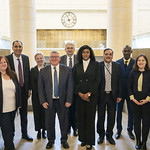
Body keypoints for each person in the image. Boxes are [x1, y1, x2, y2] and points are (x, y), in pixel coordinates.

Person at [38, 51, 73, 149]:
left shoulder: (67, 70)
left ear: (59, 58)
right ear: (49, 58)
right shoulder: (43, 71)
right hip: (49, 102)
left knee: (64, 122)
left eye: (56, 57)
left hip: (63, 101)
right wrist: (43, 101)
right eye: (52, 57)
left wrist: (69, 100)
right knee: (49, 122)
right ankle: (50, 140)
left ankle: (64, 139)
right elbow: (40, 88)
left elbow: (70, 86)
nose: (54, 58)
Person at [73, 45, 100, 150]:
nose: (85, 54)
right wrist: (80, 94)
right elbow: (74, 82)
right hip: (79, 97)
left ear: (90, 53)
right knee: (81, 119)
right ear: (80, 53)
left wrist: (88, 93)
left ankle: (90, 141)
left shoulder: (96, 65)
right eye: (83, 52)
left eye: (87, 52)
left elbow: (98, 80)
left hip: (91, 97)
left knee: (90, 119)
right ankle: (83, 139)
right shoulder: (76, 66)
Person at [6, 40, 33, 141]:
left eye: (20, 47)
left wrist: (29, 89)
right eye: (16, 46)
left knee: (24, 115)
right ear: (12, 48)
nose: (18, 49)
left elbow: (28, 74)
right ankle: (10, 136)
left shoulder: (25, 58)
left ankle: (24, 134)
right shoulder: (7, 59)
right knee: (12, 115)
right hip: (12, 91)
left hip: (24, 90)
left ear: (22, 47)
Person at [97, 48, 122, 145]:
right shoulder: (98, 65)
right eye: (106, 54)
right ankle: (101, 135)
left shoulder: (117, 66)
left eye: (110, 54)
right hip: (101, 95)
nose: (108, 56)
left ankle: (109, 135)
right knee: (100, 117)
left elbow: (120, 81)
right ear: (103, 55)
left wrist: (119, 95)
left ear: (112, 56)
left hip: (113, 96)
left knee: (111, 117)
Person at [128, 54, 150, 150]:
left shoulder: (149, 73)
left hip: (147, 102)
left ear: (146, 62)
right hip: (135, 101)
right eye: (139, 60)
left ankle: (144, 142)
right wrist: (133, 98)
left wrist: (147, 99)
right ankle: (138, 140)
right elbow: (129, 87)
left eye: (143, 60)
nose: (141, 62)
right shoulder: (133, 73)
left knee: (146, 122)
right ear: (136, 62)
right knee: (136, 122)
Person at [0, 56, 21, 150]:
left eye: (5, 62)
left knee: (11, 129)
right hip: (2, 109)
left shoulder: (12, 74)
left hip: (12, 107)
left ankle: (7, 145)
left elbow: (18, 90)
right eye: (1, 62)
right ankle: (10, 147)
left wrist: (19, 103)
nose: (3, 64)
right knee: (6, 129)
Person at [115, 45, 135, 140]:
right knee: (118, 111)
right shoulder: (117, 63)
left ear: (131, 52)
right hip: (120, 92)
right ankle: (119, 130)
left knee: (131, 112)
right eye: (125, 51)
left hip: (131, 92)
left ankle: (130, 130)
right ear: (122, 51)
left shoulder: (135, 63)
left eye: (128, 51)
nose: (126, 52)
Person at [60, 41, 78, 136]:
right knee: (65, 111)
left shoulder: (79, 59)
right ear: (65, 49)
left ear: (74, 49)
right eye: (68, 48)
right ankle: (66, 128)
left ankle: (75, 128)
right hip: (64, 90)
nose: (70, 49)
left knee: (75, 111)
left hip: (76, 89)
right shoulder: (61, 59)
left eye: (71, 48)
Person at [31, 52, 46, 139]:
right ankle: (38, 131)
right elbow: (32, 83)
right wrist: (39, 93)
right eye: (37, 58)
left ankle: (44, 131)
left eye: (41, 58)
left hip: (46, 96)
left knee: (45, 114)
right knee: (37, 113)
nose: (39, 60)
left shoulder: (47, 69)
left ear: (43, 59)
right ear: (35, 60)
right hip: (36, 96)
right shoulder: (33, 70)